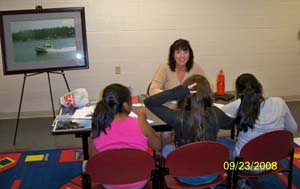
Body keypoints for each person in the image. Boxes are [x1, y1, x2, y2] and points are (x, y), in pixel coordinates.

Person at [144, 74, 235, 185]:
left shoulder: (178, 117)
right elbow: (231, 124)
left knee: (167, 148)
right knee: (224, 144)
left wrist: (177, 92)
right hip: (212, 174)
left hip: (185, 176)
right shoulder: (216, 113)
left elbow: (149, 102)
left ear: (185, 94)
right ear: (208, 93)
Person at [221, 73, 298, 189]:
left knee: (222, 152)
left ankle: (241, 182)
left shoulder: (239, 104)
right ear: (260, 87)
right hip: (273, 161)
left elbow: (220, 112)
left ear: (240, 92)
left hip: (245, 165)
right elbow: (292, 129)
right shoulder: (279, 102)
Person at [88, 83, 161, 189]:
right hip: (139, 182)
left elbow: (93, 159)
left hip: (109, 184)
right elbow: (158, 146)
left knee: (86, 165)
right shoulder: (140, 123)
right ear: (126, 105)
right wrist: (143, 119)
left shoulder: (98, 127)